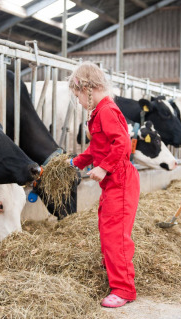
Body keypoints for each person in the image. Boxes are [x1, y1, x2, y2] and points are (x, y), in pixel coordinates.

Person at [66, 61, 140, 307]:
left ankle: (124, 289)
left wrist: (103, 167)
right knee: (108, 228)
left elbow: (123, 144)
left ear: (86, 87)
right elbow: (97, 148)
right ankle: (113, 269)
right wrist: (75, 162)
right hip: (114, 182)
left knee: (115, 234)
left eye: (77, 95)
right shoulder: (100, 112)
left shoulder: (107, 110)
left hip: (120, 180)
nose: (78, 101)